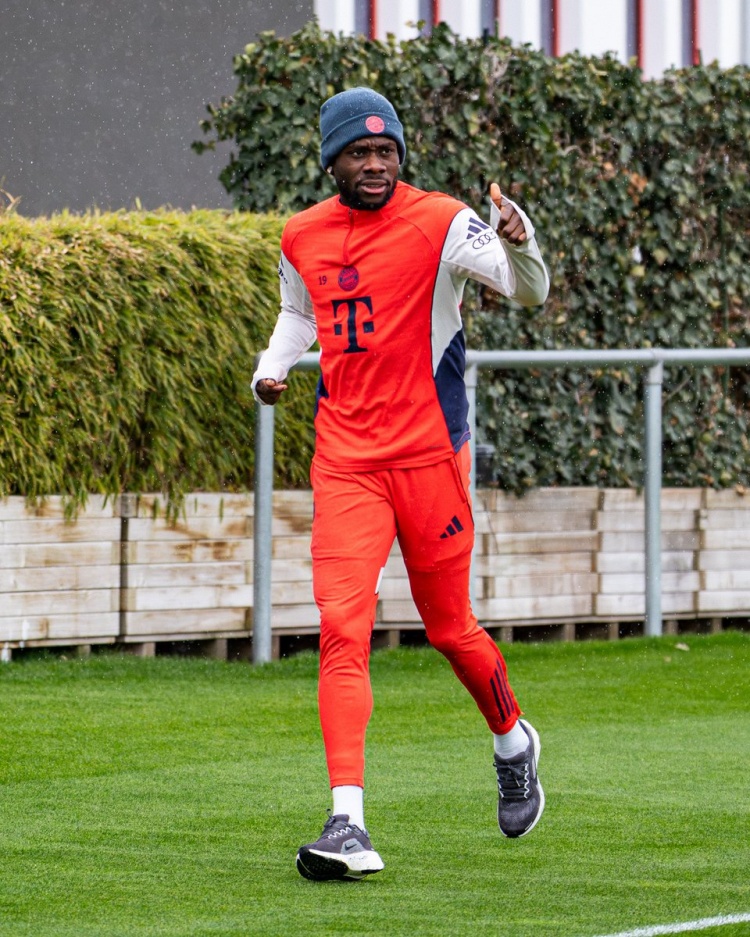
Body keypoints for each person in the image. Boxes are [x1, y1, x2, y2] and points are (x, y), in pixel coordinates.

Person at [252, 87, 550, 882]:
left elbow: (528, 290)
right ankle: (347, 820)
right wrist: (273, 364)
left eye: (387, 151)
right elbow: (299, 312)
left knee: (449, 629)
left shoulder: (444, 220)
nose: (376, 164)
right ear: (332, 162)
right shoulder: (302, 233)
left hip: (429, 459)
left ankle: (512, 739)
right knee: (341, 629)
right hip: (346, 461)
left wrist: (521, 241)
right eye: (360, 152)